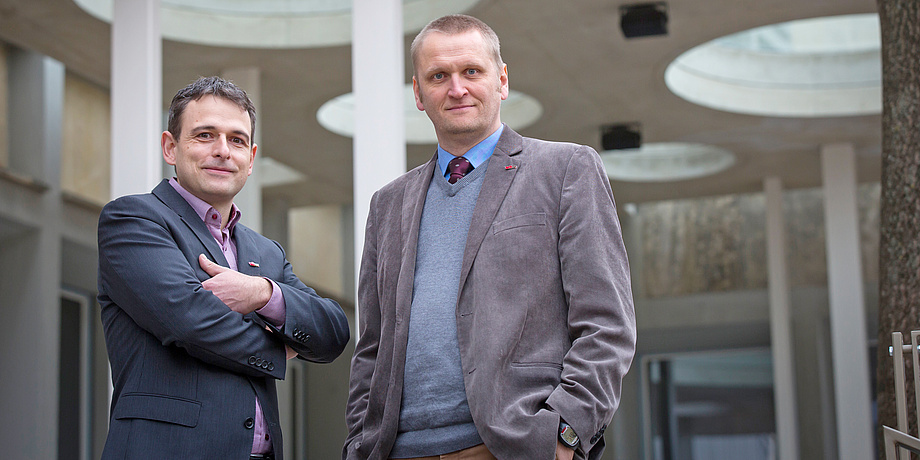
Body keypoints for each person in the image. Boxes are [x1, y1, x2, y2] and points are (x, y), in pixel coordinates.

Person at [344, 14, 636, 460]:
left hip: (512, 447)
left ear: (501, 80)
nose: (456, 88)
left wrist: (566, 434)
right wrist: (358, 443)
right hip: (396, 450)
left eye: (471, 72)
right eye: (438, 76)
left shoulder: (565, 171)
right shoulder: (389, 204)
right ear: (419, 95)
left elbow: (606, 325)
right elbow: (372, 345)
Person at [98, 76, 350, 460]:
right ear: (171, 147)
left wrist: (263, 294)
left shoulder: (265, 252)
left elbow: (331, 333)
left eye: (236, 140)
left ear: (250, 159)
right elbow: (189, 320)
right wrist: (281, 351)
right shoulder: (134, 219)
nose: (222, 151)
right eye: (204, 135)